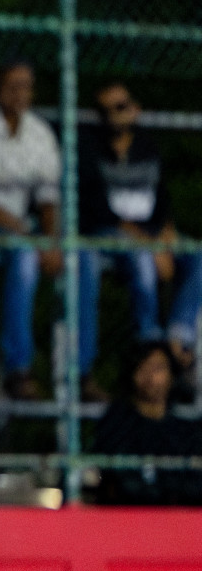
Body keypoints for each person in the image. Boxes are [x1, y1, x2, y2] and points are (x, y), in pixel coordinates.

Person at [0, 61, 99, 401]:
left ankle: (81, 370)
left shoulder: (39, 133)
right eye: (12, 85)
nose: (21, 93)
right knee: (24, 253)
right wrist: (34, 239)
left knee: (84, 257)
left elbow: (48, 196)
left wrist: (51, 241)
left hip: (23, 231)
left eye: (27, 86)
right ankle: (18, 369)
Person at [80, 81, 194, 383]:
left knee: (196, 256)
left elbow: (162, 201)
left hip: (149, 235)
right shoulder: (89, 149)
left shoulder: (148, 146)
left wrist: (165, 237)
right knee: (142, 258)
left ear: (135, 109)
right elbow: (97, 211)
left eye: (120, 107)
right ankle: (149, 339)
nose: (113, 115)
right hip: (112, 233)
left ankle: (179, 334)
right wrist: (152, 245)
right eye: (104, 110)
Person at [93, 341, 202, 505]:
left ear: (172, 375)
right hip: (131, 512)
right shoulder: (117, 424)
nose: (150, 376)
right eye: (143, 367)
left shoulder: (187, 432)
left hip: (179, 514)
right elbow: (118, 480)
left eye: (158, 368)